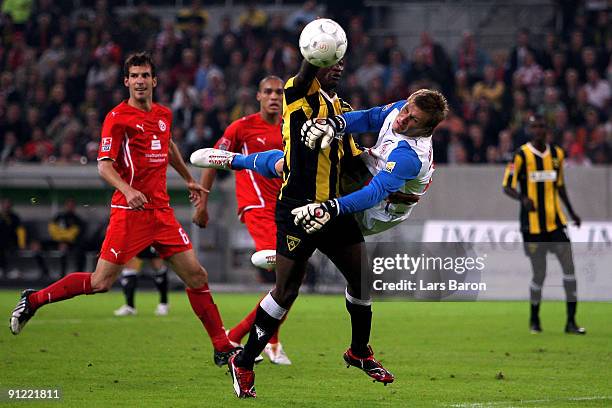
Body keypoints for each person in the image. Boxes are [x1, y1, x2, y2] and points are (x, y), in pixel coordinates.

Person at [9, 52, 239, 367]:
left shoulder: (163, 114)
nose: (140, 81)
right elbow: (104, 167)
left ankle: (221, 346)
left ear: (154, 81)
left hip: (161, 212)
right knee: (101, 282)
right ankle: (33, 299)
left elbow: (168, 145)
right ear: (126, 81)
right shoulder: (117, 118)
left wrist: (188, 179)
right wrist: (128, 190)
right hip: (129, 213)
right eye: (135, 76)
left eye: (146, 75)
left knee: (197, 276)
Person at [226, 55, 394, 398]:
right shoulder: (297, 92)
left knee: (362, 279)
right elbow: (304, 76)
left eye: (341, 61)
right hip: (296, 210)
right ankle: (243, 361)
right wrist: (314, 53)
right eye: (331, 61)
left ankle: (359, 351)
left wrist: (387, 187)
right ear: (316, 61)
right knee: (286, 293)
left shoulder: (341, 108)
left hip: (331, 209)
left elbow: (351, 161)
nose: (339, 66)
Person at [192, 75, 292, 365]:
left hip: (286, 210)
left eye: (278, 93)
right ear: (258, 96)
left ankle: (238, 336)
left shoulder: (290, 128)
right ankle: (268, 342)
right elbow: (213, 158)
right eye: (268, 92)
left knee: (288, 280)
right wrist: (203, 201)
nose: (274, 97)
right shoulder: (242, 127)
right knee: (286, 276)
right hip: (257, 207)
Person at [502, 114, 585, 335]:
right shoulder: (520, 155)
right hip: (532, 226)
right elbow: (507, 186)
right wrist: (522, 198)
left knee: (570, 268)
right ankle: (535, 320)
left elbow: (560, 186)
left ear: (547, 129)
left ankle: (571, 322)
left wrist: (572, 212)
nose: (538, 130)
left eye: (542, 126)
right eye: (534, 127)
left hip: (556, 222)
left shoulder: (557, 154)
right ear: (530, 130)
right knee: (540, 273)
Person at [113, 246, 170, 317]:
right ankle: (130, 306)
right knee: (130, 265)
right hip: (135, 237)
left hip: (152, 238)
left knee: (157, 264)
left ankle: (163, 303)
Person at [47, 198, 87, 277]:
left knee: (80, 250)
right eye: (68, 205)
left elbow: (74, 233)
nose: (70, 207)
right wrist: (61, 240)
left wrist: (64, 240)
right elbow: (52, 230)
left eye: (72, 205)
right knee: (38, 247)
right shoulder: (58, 217)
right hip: (57, 241)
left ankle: (78, 274)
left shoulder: (77, 219)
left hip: (72, 243)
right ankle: (47, 273)